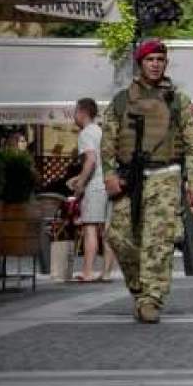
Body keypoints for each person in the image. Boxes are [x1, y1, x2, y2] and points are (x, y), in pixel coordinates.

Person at [101, 39, 193, 323]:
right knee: (119, 237)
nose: (156, 64)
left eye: (160, 59)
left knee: (158, 242)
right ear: (140, 63)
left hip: (165, 177)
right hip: (128, 178)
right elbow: (108, 140)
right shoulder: (122, 100)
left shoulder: (177, 100)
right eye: (150, 60)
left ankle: (152, 298)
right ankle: (139, 289)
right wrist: (108, 174)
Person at [67, 97, 115, 282]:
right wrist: (78, 178)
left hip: (95, 187)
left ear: (81, 112)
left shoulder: (86, 133)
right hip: (109, 185)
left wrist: (80, 184)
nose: (74, 116)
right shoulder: (100, 131)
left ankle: (87, 272)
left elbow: (91, 160)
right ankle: (106, 272)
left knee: (90, 228)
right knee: (107, 230)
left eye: (75, 112)